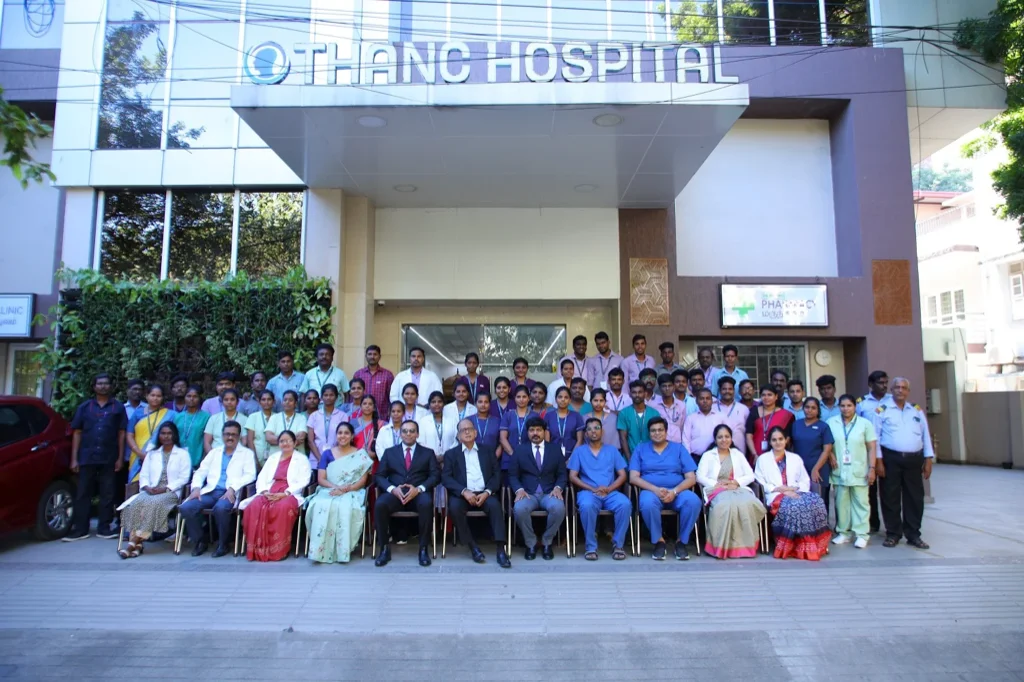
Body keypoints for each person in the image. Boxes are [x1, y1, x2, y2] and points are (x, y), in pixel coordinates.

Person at [180, 421, 257, 557]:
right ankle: (201, 541)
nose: (230, 437)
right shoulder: (214, 452)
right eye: (227, 434)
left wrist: (233, 488)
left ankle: (223, 544)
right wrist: (196, 488)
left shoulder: (246, 454)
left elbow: (250, 475)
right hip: (210, 491)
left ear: (239, 436)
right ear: (222, 435)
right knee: (187, 507)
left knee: (221, 508)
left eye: (233, 434)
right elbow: (201, 471)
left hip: (229, 493)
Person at [629, 418, 702, 561]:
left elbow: (691, 478)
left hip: (677, 492)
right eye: (653, 430)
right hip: (651, 492)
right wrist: (655, 489)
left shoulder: (678, 449)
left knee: (693, 501)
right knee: (647, 503)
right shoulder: (641, 449)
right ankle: (659, 541)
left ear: (666, 431)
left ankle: (681, 542)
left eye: (660, 430)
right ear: (649, 433)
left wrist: (674, 491)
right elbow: (633, 477)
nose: (657, 433)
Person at [65, 373, 128, 541]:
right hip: (87, 456)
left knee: (108, 493)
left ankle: (104, 528)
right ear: (94, 387)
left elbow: (121, 433)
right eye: (99, 383)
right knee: (83, 492)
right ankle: (81, 529)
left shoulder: (118, 408)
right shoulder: (85, 407)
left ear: (111, 386)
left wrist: (120, 457)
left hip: (109, 456)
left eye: (106, 383)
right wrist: (74, 458)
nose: (103, 386)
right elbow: (77, 432)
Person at [874, 377, 934, 550]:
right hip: (890, 459)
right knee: (890, 497)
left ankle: (913, 534)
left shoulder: (916, 410)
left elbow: (925, 435)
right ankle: (893, 533)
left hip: (914, 459)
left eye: (904, 387)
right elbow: (875, 437)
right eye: (897, 387)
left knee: (915, 498)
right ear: (891, 390)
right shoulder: (882, 410)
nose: (900, 390)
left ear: (908, 391)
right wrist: (878, 461)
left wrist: (928, 459)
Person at [442, 419, 511, 567]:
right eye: (463, 430)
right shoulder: (451, 454)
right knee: (454, 507)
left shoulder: (487, 451)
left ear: (476, 432)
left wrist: (487, 492)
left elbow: (496, 475)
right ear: (458, 436)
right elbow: (446, 478)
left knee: (495, 506)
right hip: (463, 494)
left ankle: (501, 549)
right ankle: (472, 547)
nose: (467, 432)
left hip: (484, 493)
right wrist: (464, 492)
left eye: (469, 429)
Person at [755, 426, 830, 561]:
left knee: (816, 501)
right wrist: (780, 489)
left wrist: (793, 489)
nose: (778, 442)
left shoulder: (795, 458)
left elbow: (805, 480)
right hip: (775, 494)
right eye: (774, 440)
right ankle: (793, 547)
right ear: (770, 442)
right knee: (795, 506)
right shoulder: (763, 459)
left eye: (780, 439)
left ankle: (816, 545)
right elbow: (759, 481)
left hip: (797, 491)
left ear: (786, 440)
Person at [116, 422, 191, 559]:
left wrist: (165, 488)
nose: (166, 436)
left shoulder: (182, 454)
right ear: (159, 436)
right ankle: (138, 545)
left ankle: (132, 543)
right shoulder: (152, 453)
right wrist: (147, 487)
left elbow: (184, 477)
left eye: (169, 433)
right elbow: (144, 475)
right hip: (150, 490)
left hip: (170, 492)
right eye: (163, 433)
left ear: (174, 435)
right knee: (135, 504)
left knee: (153, 504)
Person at [373, 420, 441, 567]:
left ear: (417, 434)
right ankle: (384, 549)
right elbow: (379, 476)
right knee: (380, 504)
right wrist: (392, 489)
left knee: (426, 503)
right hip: (395, 494)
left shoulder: (428, 453)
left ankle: (423, 549)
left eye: (412, 431)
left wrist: (419, 489)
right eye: (405, 431)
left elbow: (435, 476)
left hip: (417, 494)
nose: (408, 434)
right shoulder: (390, 452)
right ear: (400, 434)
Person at [305, 423, 374, 564]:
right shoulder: (327, 454)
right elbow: (321, 479)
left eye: (346, 433)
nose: (343, 436)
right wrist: (336, 487)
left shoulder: (360, 455)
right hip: (328, 489)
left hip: (352, 490)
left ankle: (342, 551)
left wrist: (345, 489)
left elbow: (362, 481)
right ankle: (320, 550)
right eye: (340, 433)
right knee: (320, 504)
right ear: (336, 435)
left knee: (345, 506)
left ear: (352, 436)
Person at [816, 394, 877, 549]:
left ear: (855, 407)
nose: (846, 409)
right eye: (842, 406)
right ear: (839, 407)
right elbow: (826, 444)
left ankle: (862, 534)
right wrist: (830, 456)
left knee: (861, 503)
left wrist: (872, 468)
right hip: (839, 469)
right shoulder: (831, 422)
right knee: (841, 503)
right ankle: (844, 532)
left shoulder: (865, 424)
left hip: (859, 469)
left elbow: (871, 448)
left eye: (849, 405)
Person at [241, 430, 312, 562]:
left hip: (289, 492)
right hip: (270, 490)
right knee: (253, 506)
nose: (285, 443)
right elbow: (262, 477)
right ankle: (257, 550)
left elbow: (304, 480)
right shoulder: (273, 458)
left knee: (281, 508)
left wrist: (285, 493)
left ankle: (279, 551)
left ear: (295, 442)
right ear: (278, 444)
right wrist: (264, 491)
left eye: (288, 441)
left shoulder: (302, 459)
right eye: (282, 441)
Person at [697, 424, 766, 559]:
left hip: (737, 488)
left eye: (727, 436)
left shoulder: (737, 454)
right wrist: (717, 484)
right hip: (716, 490)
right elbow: (699, 476)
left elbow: (750, 475)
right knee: (725, 506)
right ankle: (721, 547)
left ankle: (745, 547)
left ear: (731, 438)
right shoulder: (708, 455)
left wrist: (736, 482)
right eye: (720, 437)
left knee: (747, 504)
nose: (724, 440)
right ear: (715, 439)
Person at [569, 418, 632, 561]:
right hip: (588, 492)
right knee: (587, 506)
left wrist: (609, 489)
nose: (593, 431)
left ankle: (618, 545)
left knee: (625, 504)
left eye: (596, 428)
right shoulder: (579, 451)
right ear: (586, 434)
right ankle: (591, 546)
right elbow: (572, 476)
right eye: (589, 429)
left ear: (602, 431)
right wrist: (592, 488)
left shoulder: (612, 450)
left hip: (610, 492)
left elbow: (622, 475)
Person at [510, 417, 567, 560]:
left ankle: (547, 542)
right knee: (519, 509)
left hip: (549, 493)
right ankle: (531, 543)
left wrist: (558, 488)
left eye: (538, 430)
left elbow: (562, 474)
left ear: (544, 432)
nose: (535, 433)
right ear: (527, 432)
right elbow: (512, 475)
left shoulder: (555, 449)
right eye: (532, 430)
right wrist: (519, 490)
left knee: (558, 508)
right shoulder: (519, 450)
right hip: (528, 493)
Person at [857, 370, 893, 534]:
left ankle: (891, 525)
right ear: (871, 384)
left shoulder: (892, 401)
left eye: (886, 382)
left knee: (888, 490)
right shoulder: (862, 403)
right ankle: (873, 522)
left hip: (887, 450)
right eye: (880, 383)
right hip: (866, 451)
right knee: (869, 489)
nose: (884, 386)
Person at [789, 397, 834, 507]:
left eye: (813, 408)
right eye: (807, 407)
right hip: (800, 469)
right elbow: (790, 446)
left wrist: (816, 469)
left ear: (818, 410)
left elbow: (827, 449)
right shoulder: (796, 425)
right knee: (801, 501)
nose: (810, 410)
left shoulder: (823, 426)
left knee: (820, 502)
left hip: (818, 469)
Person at [126, 385, 173, 485]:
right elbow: (129, 435)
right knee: (135, 485)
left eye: (158, 396)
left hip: (160, 456)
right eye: (152, 395)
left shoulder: (170, 415)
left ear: (163, 398)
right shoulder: (137, 413)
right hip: (138, 456)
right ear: (147, 396)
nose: (155, 398)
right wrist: (139, 453)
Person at [745, 386, 794, 463]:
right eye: (763, 395)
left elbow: (787, 437)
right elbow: (748, 435)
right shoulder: (754, 412)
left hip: (777, 453)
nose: (766, 397)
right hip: (756, 453)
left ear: (776, 397)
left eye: (769, 395)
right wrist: (754, 454)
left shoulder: (785, 415)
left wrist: (779, 451)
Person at [307, 384, 348, 469]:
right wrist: (320, 459)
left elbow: (344, 439)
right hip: (316, 459)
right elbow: (310, 440)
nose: (328, 397)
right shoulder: (314, 416)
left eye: (331, 395)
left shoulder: (342, 416)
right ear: (321, 398)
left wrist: (332, 457)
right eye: (325, 395)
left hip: (336, 458)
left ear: (336, 397)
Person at [265, 390, 309, 466]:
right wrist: (291, 441)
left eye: (290, 400)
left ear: (296, 403)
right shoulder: (274, 417)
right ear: (282, 402)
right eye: (285, 400)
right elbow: (269, 438)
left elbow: (300, 438)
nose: (287, 402)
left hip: (296, 459)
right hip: (276, 459)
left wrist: (279, 440)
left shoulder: (301, 418)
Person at [617, 380, 658, 460]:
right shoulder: (624, 413)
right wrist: (630, 460)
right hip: (630, 457)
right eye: (634, 392)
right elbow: (623, 438)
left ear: (645, 394)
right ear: (630, 394)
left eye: (640, 392)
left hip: (651, 457)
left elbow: (657, 437)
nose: (637, 395)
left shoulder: (654, 413)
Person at [499, 385, 534, 475]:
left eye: (524, 397)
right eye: (518, 397)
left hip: (529, 459)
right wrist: (513, 454)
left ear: (529, 398)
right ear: (514, 398)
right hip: (509, 458)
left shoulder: (534, 416)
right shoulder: (508, 415)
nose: (521, 399)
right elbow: (502, 438)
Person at [174, 385, 210, 468]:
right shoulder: (178, 417)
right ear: (184, 398)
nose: (191, 399)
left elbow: (207, 440)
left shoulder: (206, 417)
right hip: (178, 458)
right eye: (189, 396)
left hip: (198, 458)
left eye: (195, 396)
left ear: (199, 398)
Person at [682, 388, 724, 458]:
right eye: (702, 398)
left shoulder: (721, 417)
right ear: (696, 401)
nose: (705, 401)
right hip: (695, 457)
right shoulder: (690, 418)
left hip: (716, 457)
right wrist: (688, 458)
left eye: (708, 398)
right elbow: (685, 440)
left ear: (712, 401)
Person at [352, 345, 395, 415]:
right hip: (361, 415)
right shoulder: (358, 374)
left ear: (379, 357)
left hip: (382, 415)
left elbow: (391, 396)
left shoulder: (388, 375)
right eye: (369, 354)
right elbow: (353, 395)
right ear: (366, 356)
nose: (372, 357)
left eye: (375, 354)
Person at [544, 387, 584, 459]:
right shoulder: (548, 416)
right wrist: (551, 458)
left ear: (570, 400)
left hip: (573, 456)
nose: (563, 399)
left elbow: (580, 440)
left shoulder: (576, 416)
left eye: (566, 397)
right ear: (556, 399)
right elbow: (547, 441)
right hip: (553, 456)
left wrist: (571, 459)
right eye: (560, 397)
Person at [716, 376, 749, 457]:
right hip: (718, 454)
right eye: (724, 389)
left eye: (730, 389)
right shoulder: (713, 408)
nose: (727, 391)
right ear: (719, 391)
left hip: (739, 453)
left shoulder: (743, 409)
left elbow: (749, 432)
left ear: (734, 390)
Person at [420, 391, 457, 455]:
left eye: (439, 402)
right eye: (433, 402)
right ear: (429, 405)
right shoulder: (423, 421)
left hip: (450, 456)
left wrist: (447, 454)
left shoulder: (452, 421)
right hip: (428, 457)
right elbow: (421, 441)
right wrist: (432, 455)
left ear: (444, 404)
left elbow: (456, 440)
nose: (436, 404)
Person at [244, 390, 276, 467]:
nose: (266, 402)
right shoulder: (253, 417)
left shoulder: (278, 417)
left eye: (269, 399)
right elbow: (250, 440)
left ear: (274, 402)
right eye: (263, 400)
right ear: (259, 401)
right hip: (258, 455)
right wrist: (255, 460)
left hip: (275, 455)